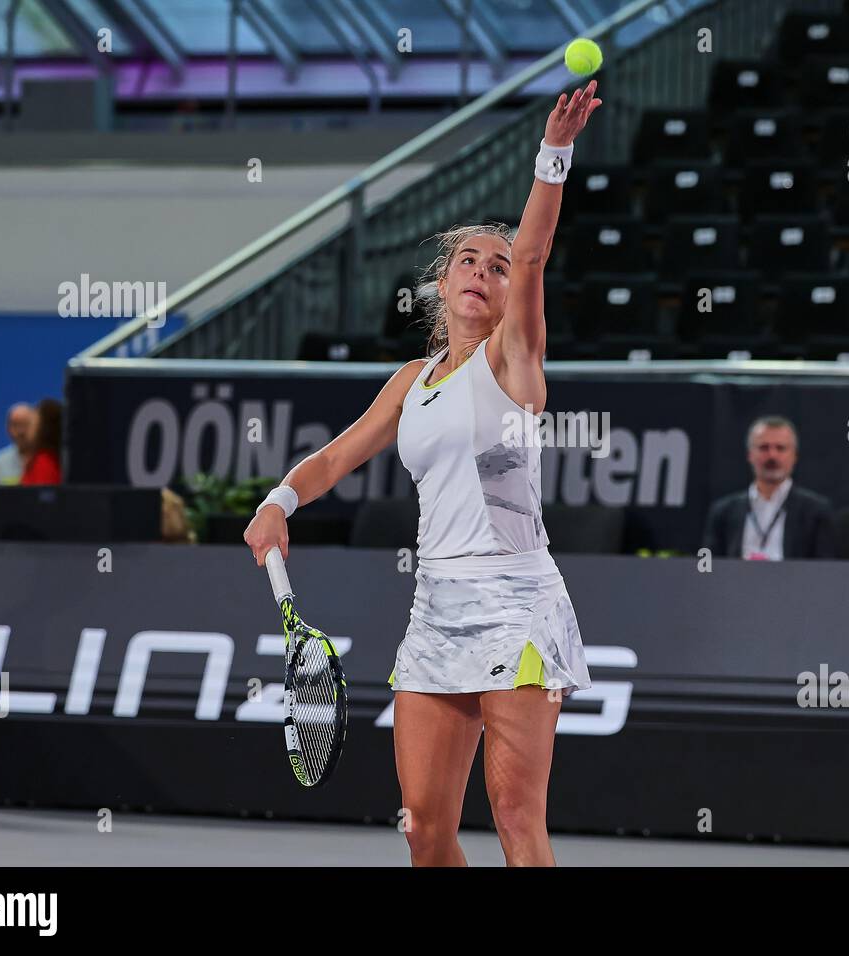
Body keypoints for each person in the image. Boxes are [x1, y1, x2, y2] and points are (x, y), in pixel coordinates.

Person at [243, 82, 603, 867]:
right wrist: (279, 501)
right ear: (442, 285)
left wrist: (555, 154)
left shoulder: (516, 360)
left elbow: (538, 248)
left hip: (518, 608)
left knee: (515, 819)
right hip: (435, 610)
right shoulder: (413, 378)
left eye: (497, 266)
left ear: (511, 293)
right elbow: (336, 457)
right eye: (467, 260)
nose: (482, 270)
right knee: (426, 828)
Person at [702, 415, 835, 560]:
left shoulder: (815, 511)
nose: (772, 455)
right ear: (750, 454)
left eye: (780, 448)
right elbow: (711, 566)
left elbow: (824, 569)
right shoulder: (724, 511)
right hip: (737, 581)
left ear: (794, 456)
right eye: (764, 447)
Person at [0, 402, 37, 484]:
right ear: (8, 428)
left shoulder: (48, 459)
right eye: (15, 425)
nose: (20, 431)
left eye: (25, 424)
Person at [20, 398, 63, 485]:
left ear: (45, 429)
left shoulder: (45, 463)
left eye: (31, 424)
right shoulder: (40, 460)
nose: (25, 430)